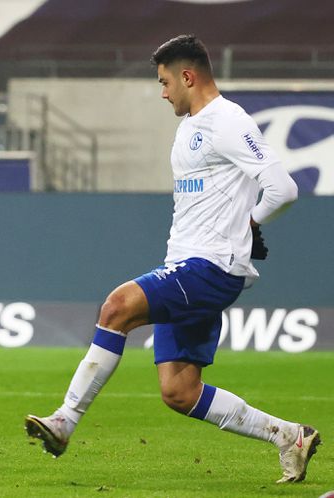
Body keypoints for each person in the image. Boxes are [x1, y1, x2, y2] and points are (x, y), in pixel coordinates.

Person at [25, 34, 320, 484]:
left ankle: (65, 420)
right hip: (186, 263)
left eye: (165, 83)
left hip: (211, 267)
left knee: (116, 307)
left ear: (188, 76)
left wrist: (251, 223)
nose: (163, 93)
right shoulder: (190, 127)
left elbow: (284, 187)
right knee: (180, 392)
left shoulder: (229, 121)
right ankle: (289, 436)